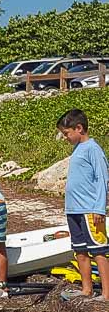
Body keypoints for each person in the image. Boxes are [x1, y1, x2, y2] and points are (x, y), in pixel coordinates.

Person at [56, 109, 109, 301]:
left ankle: (106, 292)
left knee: (98, 250)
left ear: (79, 128)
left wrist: (99, 208)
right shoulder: (78, 148)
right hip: (74, 209)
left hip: (89, 210)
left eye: (67, 133)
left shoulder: (93, 149)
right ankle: (87, 289)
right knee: (80, 249)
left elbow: (102, 179)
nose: (66, 137)